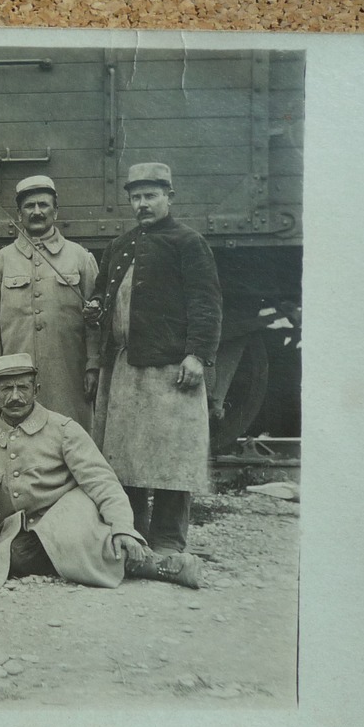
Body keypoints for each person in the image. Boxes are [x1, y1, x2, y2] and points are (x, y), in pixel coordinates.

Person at [0, 354, 201, 588]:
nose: (15, 397)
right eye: (6, 389)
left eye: (23, 388)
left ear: (36, 390)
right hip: (24, 532)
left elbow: (102, 482)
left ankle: (158, 565)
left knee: (61, 544)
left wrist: (123, 528)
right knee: (15, 557)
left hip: (74, 519)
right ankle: (131, 560)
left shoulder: (64, 430)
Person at [90, 162, 222, 559]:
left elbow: (206, 301)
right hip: (127, 367)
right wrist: (96, 305)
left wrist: (198, 355)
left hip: (171, 369)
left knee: (171, 457)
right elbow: (102, 292)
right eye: (136, 197)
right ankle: (133, 535)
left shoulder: (189, 242)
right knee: (126, 457)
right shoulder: (120, 245)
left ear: (169, 197)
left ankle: (168, 541)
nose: (143, 204)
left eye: (151, 196)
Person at [0, 175, 101, 429]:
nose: (37, 212)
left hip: (68, 374)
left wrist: (93, 365)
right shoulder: (0, 261)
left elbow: (94, 321)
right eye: (29, 206)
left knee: (71, 437)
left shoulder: (80, 257)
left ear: (55, 211)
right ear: (19, 213)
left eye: (43, 205)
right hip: (14, 378)